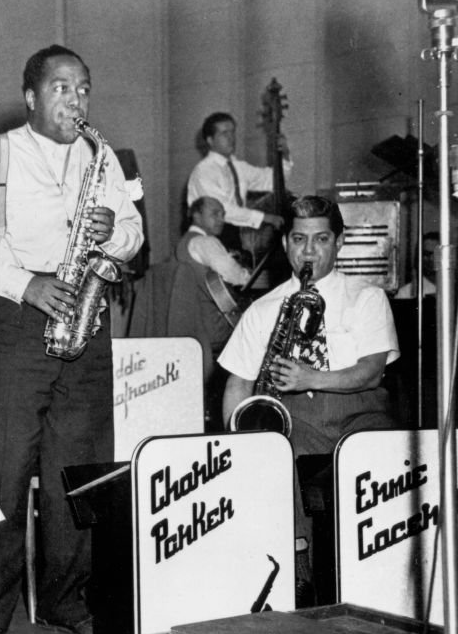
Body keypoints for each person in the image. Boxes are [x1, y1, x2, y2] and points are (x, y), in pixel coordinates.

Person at [0, 44, 143, 634]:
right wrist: (26, 284)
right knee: (1, 475)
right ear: (30, 96)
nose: (75, 100)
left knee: (76, 476)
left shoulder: (102, 159)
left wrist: (117, 235)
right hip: (12, 316)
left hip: (85, 310)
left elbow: (132, 231)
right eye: (61, 88)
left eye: (83, 88)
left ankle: (67, 602)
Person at [219, 195, 398, 598]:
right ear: (285, 244)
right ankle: (298, 572)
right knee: (275, 458)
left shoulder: (367, 297)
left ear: (339, 241)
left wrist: (310, 377)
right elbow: (237, 384)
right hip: (296, 418)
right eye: (299, 240)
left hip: (360, 415)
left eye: (320, 239)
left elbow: (371, 373)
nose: (309, 251)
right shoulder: (262, 309)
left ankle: (373, 576)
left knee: (376, 458)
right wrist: (240, 443)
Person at [176, 196, 251, 424]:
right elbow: (236, 276)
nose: (222, 219)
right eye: (215, 213)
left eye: (223, 214)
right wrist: (247, 272)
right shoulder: (205, 242)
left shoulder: (182, 243)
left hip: (189, 323)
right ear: (196, 215)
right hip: (213, 329)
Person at [186, 111, 290, 244]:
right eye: (224, 133)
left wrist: (285, 156)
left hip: (236, 233)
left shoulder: (239, 167)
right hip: (212, 237)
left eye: (232, 132)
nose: (231, 138)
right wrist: (264, 217)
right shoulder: (204, 172)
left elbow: (274, 181)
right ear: (210, 140)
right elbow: (222, 210)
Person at [395, 230, 439, 299]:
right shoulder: (406, 293)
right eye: (427, 254)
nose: (431, 258)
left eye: (436, 254)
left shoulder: (451, 287)